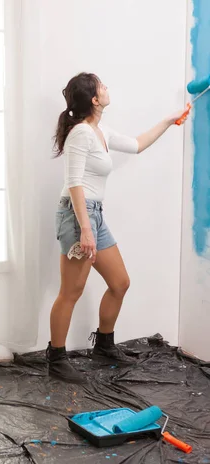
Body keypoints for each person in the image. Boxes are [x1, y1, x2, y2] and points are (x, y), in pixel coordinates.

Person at [48, 72, 186, 384]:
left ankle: (104, 347)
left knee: (120, 282)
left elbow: (137, 145)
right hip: (76, 214)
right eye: (102, 86)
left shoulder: (99, 131)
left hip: (94, 214)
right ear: (94, 100)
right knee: (72, 291)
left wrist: (169, 121)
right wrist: (85, 229)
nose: (107, 88)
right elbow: (74, 183)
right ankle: (56, 358)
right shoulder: (81, 134)